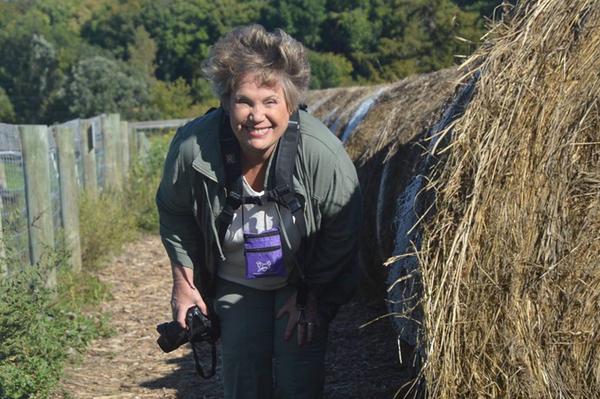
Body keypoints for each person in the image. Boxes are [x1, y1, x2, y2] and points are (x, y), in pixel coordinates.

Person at [156, 24, 362, 399]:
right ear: (225, 102)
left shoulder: (323, 155)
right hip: (236, 281)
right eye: (244, 101)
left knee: (299, 376)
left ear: (290, 104)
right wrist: (183, 286)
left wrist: (313, 294)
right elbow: (174, 211)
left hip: (300, 279)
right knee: (243, 377)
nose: (257, 116)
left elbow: (343, 230)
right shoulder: (192, 148)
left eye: (270, 101)